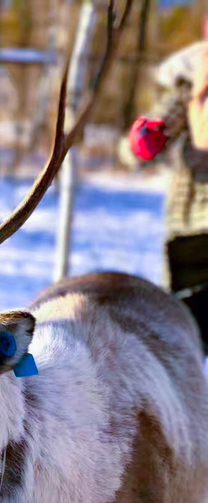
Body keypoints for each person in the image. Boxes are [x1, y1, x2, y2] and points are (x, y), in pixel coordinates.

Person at [129, 27, 208, 351]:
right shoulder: (190, 81)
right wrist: (143, 142)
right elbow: (149, 138)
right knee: (187, 334)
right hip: (192, 226)